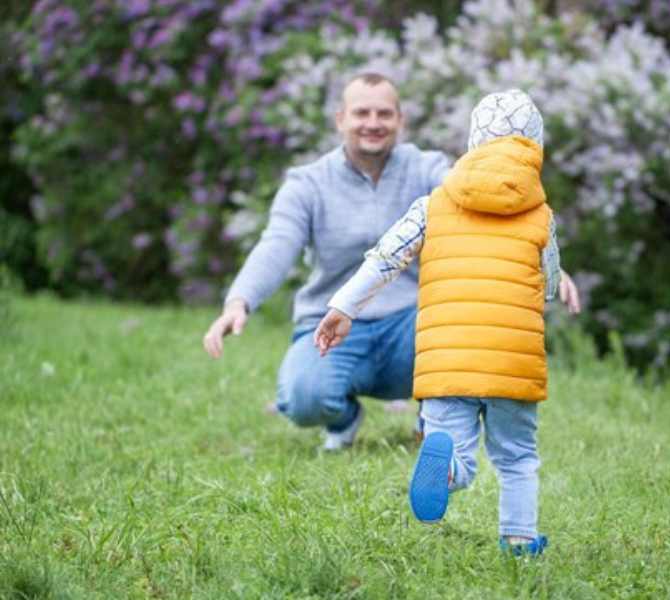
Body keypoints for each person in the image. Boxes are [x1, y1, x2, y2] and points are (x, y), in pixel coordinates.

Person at [202, 73, 581, 451]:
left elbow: (489, 206)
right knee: (303, 399)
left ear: (400, 120)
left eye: (384, 113)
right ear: (340, 119)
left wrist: (545, 259)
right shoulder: (307, 183)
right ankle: (345, 419)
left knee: (465, 323)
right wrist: (240, 301)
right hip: (333, 323)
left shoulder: (429, 169)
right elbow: (277, 244)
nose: (372, 123)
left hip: (412, 324)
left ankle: (432, 421)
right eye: (361, 112)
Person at [314, 89, 566, 555]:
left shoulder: (432, 205)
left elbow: (385, 258)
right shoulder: (541, 216)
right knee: (517, 458)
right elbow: (548, 284)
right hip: (512, 366)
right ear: (534, 147)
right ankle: (519, 540)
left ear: (473, 142)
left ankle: (448, 469)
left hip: (446, 361)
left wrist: (343, 306)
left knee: (456, 447)